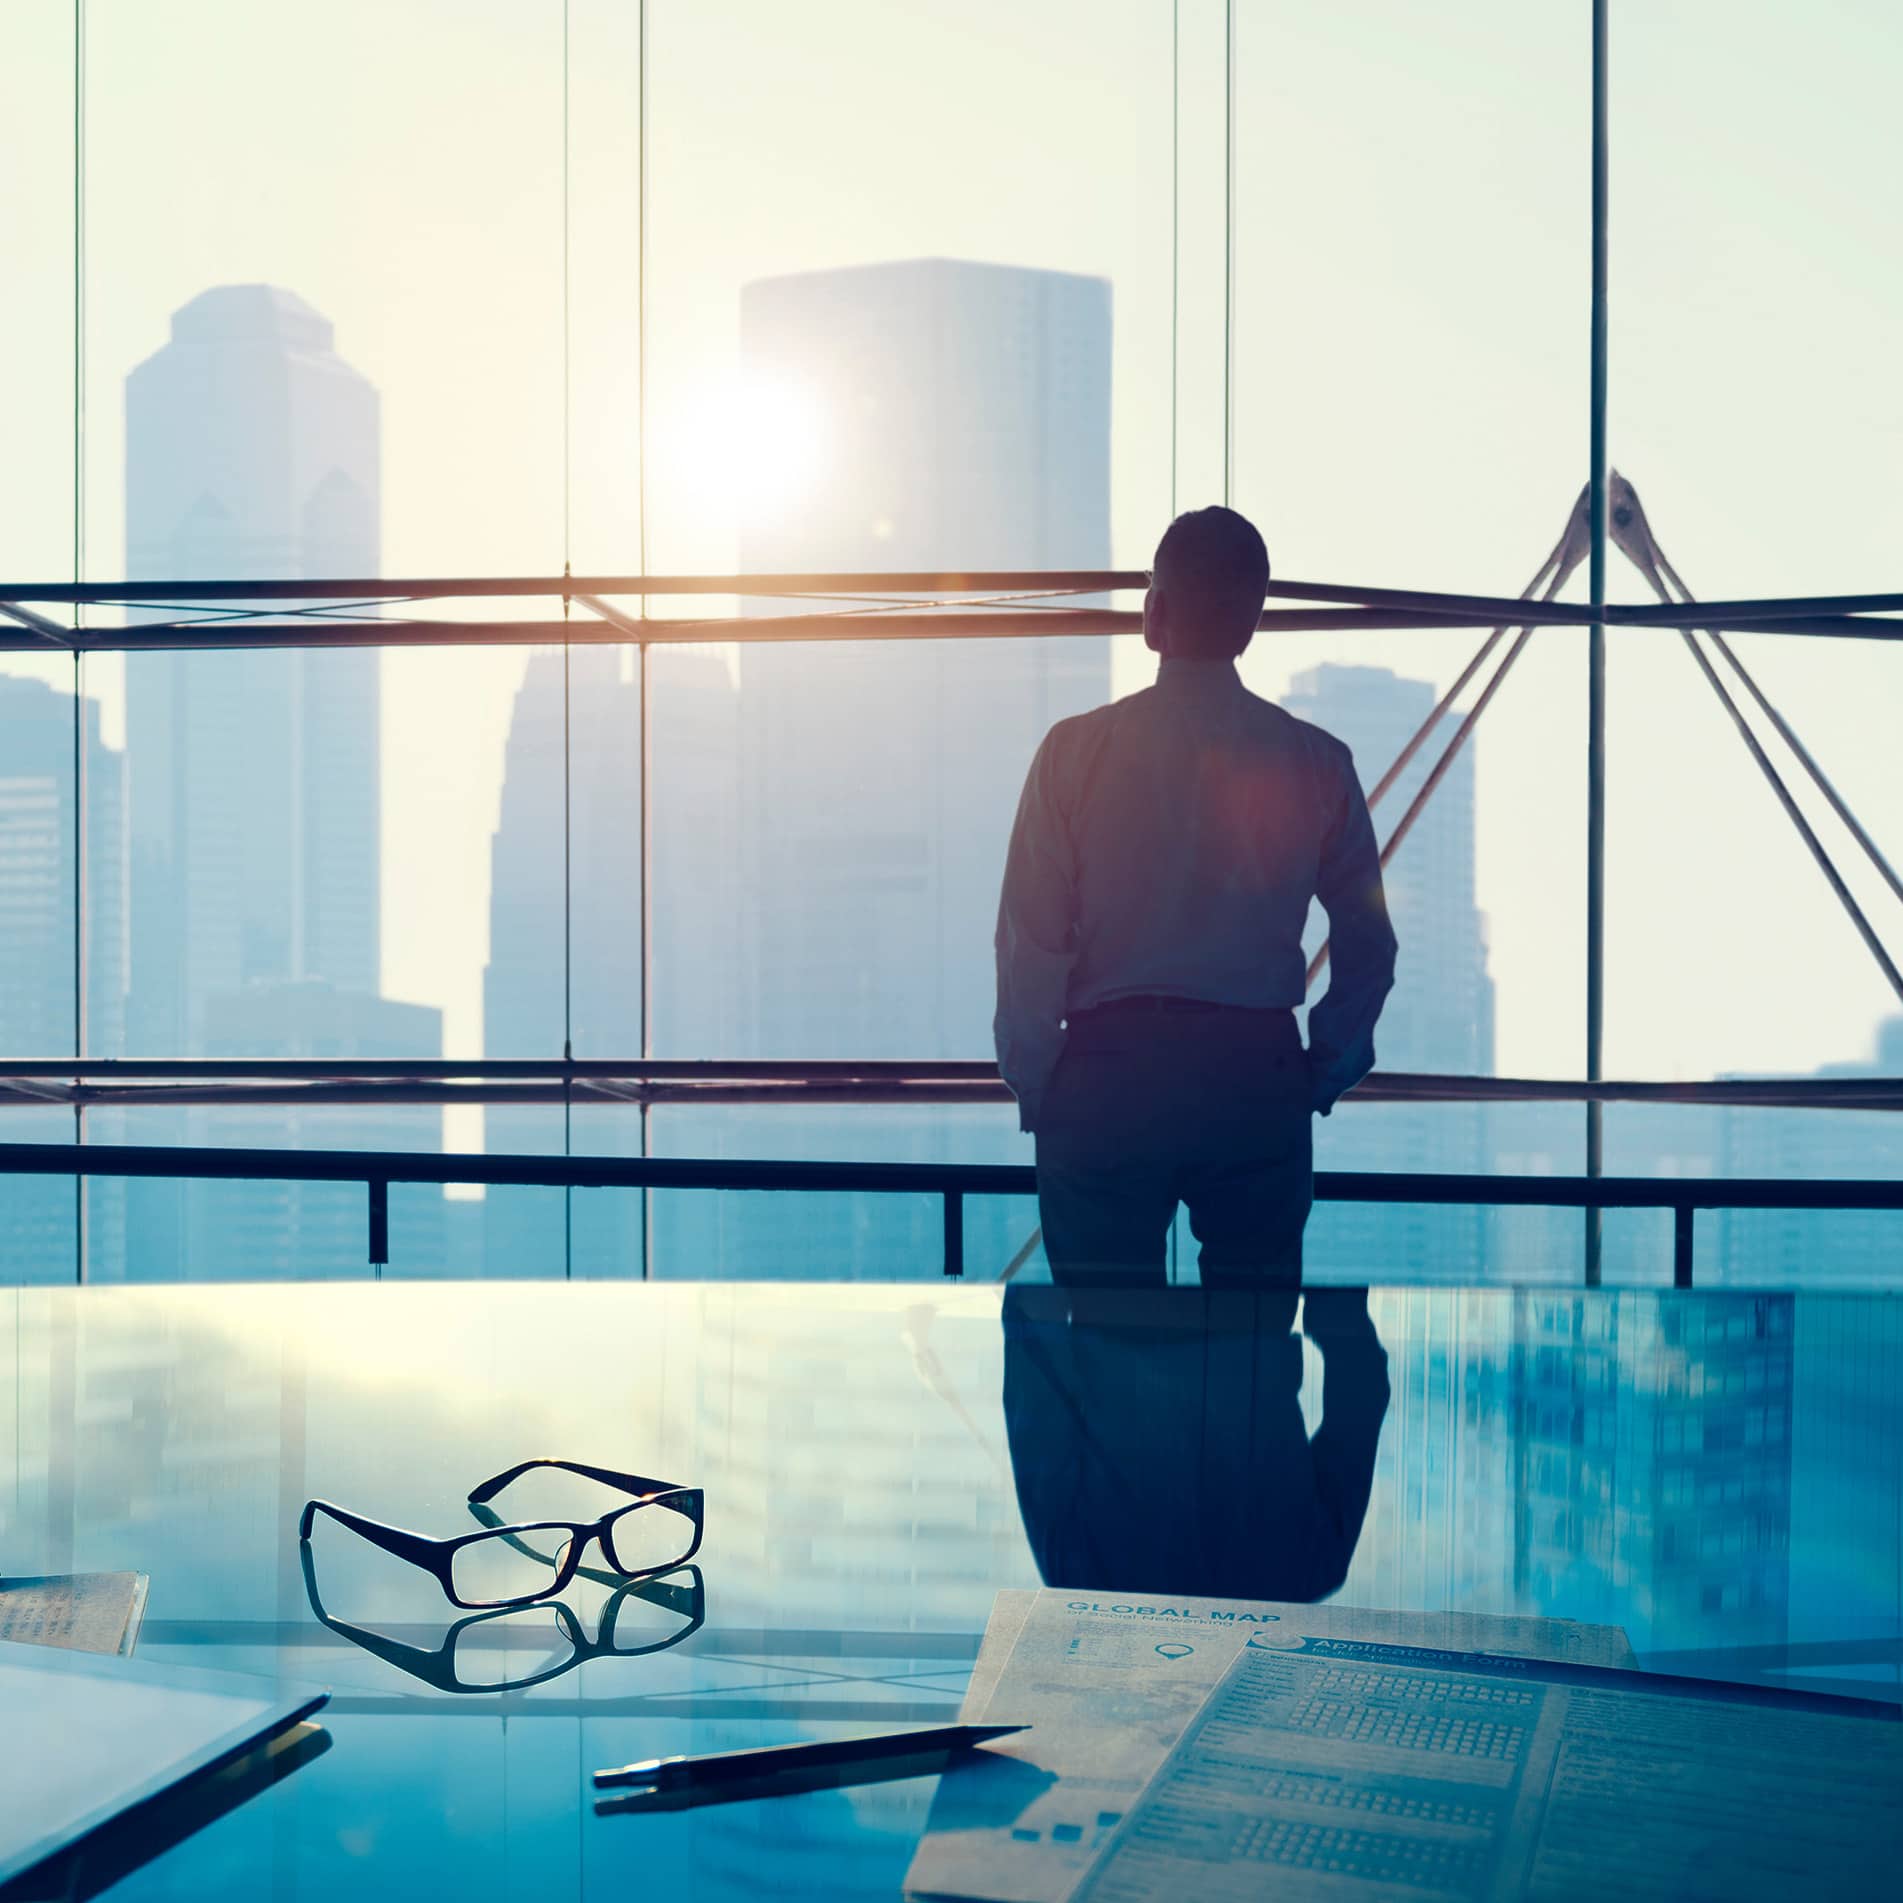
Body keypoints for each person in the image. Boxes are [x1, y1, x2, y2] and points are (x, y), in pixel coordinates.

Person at [993, 506, 1397, 1286]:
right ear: (1252, 624)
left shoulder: (1072, 755)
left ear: (1153, 613)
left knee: (1104, 1349)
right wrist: (1321, 1067)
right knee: (1250, 1360)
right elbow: (1366, 942)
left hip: (1107, 1072)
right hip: (1253, 1070)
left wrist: (1042, 1080)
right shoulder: (1316, 761)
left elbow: (1030, 942)